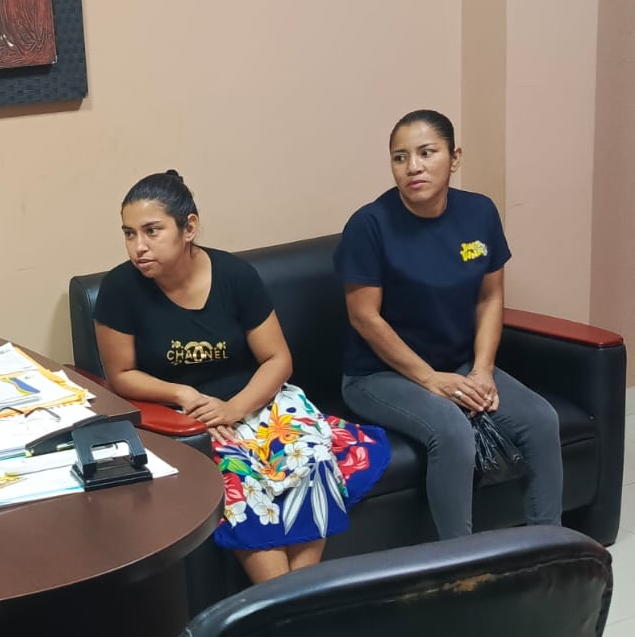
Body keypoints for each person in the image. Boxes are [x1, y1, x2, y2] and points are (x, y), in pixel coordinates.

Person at [93, 171, 390, 584]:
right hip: (186, 420)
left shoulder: (234, 275)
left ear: (189, 228)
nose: (138, 246)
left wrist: (234, 408)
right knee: (242, 481)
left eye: (151, 231)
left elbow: (277, 359)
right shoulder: (119, 289)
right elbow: (120, 375)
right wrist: (183, 393)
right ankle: (286, 604)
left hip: (256, 402)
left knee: (309, 459)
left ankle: (294, 602)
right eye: (129, 234)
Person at [337, 109, 563, 540]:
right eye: (400, 157)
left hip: (458, 363)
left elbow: (489, 297)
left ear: (454, 158)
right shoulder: (369, 225)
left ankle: (550, 549)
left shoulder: (479, 212)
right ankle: (461, 563)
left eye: (427, 153)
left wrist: (482, 369)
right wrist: (430, 379)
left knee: (541, 420)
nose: (413, 167)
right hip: (377, 375)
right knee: (452, 430)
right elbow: (364, 317)